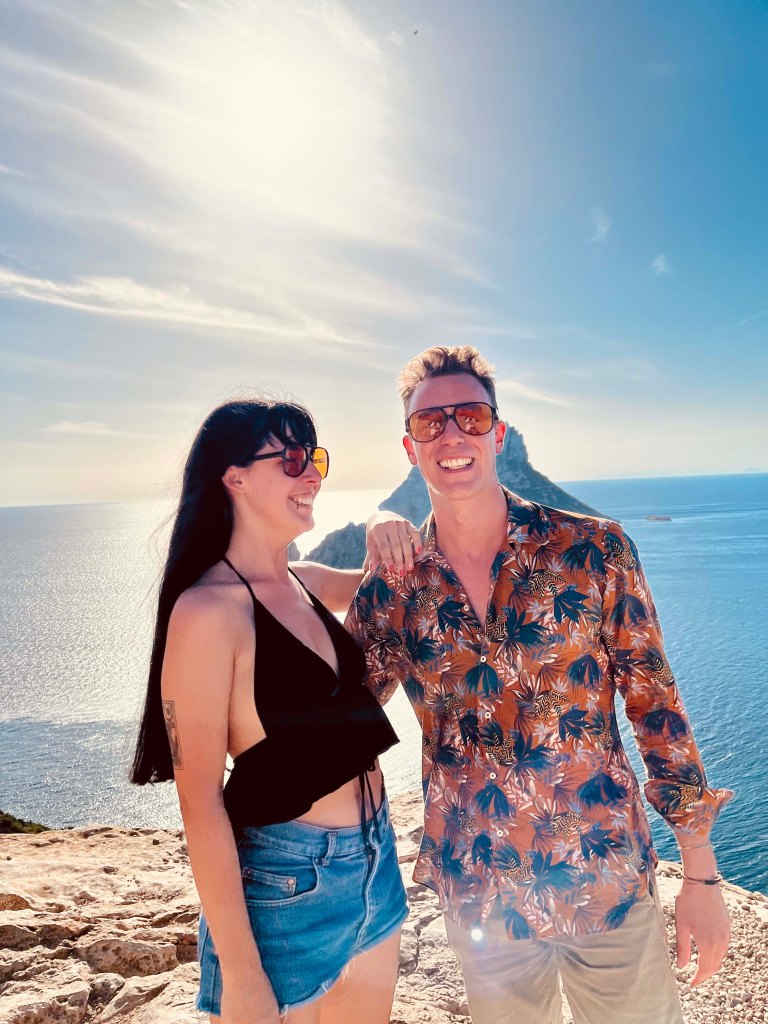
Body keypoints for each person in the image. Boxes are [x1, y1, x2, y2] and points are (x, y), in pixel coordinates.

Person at [348, 345, 733, 1024]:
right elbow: (332, 715)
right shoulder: (395, 587)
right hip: (481, 897)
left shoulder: (593, 550)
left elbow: (657, 707)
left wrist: (700, 874)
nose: (452, 434)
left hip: (605, 880)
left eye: (470, 416)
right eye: (431, 423)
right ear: (411, 449)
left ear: (497, 434)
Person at [131, 398, 415, 1024]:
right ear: (233, 476)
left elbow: (400, 580)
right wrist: (241, 973)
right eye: (291, 459)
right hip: (288, 886)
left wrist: (383, 515)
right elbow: (199, 801)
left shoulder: (303, 580)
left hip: (375, 863)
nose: (311, 474)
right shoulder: (208, 611)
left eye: (315, 459)